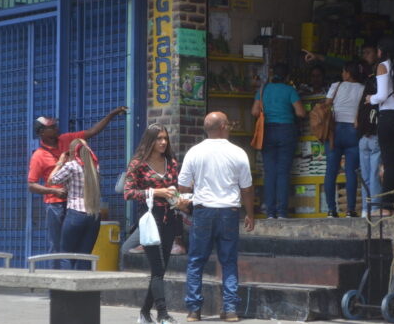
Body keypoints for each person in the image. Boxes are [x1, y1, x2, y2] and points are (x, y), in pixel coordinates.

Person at [28, 107, 126, 269]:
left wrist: (111, 115)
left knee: (80, 249)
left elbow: (92, 132)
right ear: (41, 132)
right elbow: (31, 185)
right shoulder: (38, 155)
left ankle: (78, 286)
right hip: (56, 205)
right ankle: (57, 287)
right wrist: (54, 191)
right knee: (59, 248)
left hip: (76, 206)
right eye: (51, 127)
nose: (56, 128)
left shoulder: (67, 140)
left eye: (55, 125)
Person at [179, 112, 255, 322]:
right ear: (222, 126)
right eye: (228, 123)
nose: (230, 126)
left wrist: (186, 207)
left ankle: (194, 311)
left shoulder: (194, 152)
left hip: (203, 210)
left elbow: (183, 186)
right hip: (229, 211)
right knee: (229, 261)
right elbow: (246, 189)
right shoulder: (238, 152)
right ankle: (230, 310)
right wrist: (250, 214)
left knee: (196, 261)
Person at [124, 123, 189, 324]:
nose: (162, 142)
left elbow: (176, 189)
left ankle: (144, 313)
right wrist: (156, 192)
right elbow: (128, 193)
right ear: (150, 141)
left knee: (159, 270)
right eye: (159, 138)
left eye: (165, 138)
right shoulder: (138, 164)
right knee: (158, 267)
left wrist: (181, 200)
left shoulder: (171, 162)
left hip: (170, 219)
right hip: (151, 220)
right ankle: (162, 314)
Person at [251, 63, 306, 219]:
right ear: (287, 77)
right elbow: (301, 113)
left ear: (272, 74)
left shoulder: (263, 90)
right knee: (283, 172)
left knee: (270, 172)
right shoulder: (290, 90)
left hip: (267, 131)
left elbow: (254, 111)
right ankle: (282, 212)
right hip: (286, 131)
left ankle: (270, 213)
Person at [48, 139, 101, 270]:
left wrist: (60, 162)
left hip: (75, 214)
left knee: (67, 254)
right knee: (85, 255)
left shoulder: (71, 166)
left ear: (72, 151)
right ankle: (85, 289)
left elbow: (51, 180)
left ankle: (67, 290)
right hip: (94, 216)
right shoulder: (95, 166)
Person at [324, 62, 364, 218]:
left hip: (335, 131)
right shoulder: (362, 88)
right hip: (353, 130)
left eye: (343, 71)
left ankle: (331, 210)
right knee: (351, 172)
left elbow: (327, 105)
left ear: (348, 73)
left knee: (331, 171)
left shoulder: (336, 86)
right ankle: (350, 210)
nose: (342, 74)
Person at [366, 37, 394, 209]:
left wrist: (369, 98)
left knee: (389, 162)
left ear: (381, 51)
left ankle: (387, 205)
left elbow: (380, 96)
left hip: (387, 117)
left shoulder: (383, 66)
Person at [356, 45, 385, 217]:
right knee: (372, 174)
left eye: (368, 51)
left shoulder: (368, 87)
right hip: (371, 135)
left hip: (366, 136)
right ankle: (372, 208)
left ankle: (368, 209)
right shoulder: (371, 85)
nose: (365, 55)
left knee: (367, 175)